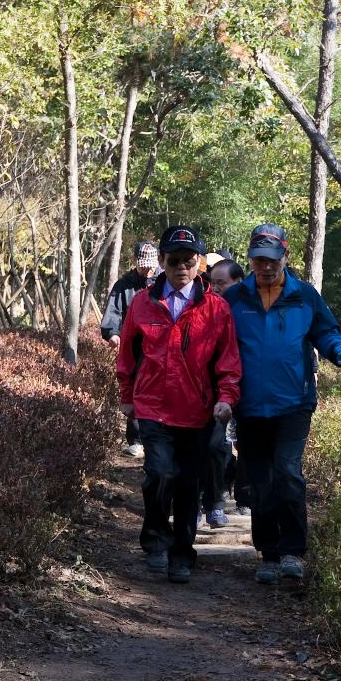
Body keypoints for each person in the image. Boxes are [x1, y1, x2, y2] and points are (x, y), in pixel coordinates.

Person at [224, 223, 341, 585]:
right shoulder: (234, 299)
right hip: (249, 405)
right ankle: (269, 553)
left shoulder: (304, 296)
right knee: (260, 481)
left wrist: (335, 349)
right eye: (258, 259)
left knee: (288, 473)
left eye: (272, 259)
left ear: (285, 257)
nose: (265, 266)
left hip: (294, 402)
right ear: (250, 259)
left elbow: (325, 330)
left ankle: (294, 552)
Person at [117, 225, 242, 584]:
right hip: (153, 406)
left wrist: (226, 398)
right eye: (173, 260)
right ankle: (156, 539)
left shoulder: (215, 308)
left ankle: (182, 553)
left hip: (197, 411)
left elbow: (228, 361)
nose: (181, 267)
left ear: (199, 263)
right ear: (162, 261)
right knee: (159, 473)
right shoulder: (143, 302)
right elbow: (127, 352)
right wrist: (127, 396)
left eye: (188, 260)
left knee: (189, 483)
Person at [199, 258, 246, 527]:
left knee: (235, 448)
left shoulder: (250, 309)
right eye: (212, 282)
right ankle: (209, 502)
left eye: (222, 283)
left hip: (244, 387)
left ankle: (233, 499)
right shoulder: (205, 307)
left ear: (238, 283)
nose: (215, 288)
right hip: (213, 390)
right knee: (213, 445)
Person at [101, 242, 157, 458]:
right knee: (134, 389)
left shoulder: (163, 282)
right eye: (144, 266)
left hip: (156, 344)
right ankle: (136, 439)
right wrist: (112, 333)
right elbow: (113, 311)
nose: (148, 270)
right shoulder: (124, 284)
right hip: (133, 345)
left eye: (151, 266)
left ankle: (155, 435)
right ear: (136, 262)